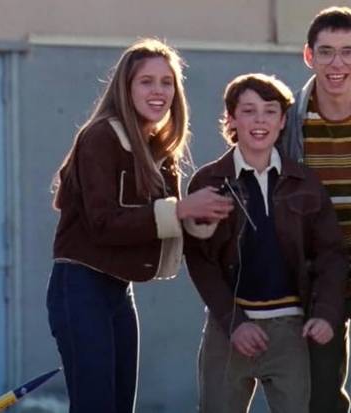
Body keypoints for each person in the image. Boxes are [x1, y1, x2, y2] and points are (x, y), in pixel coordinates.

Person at [47, 38, 233, 413]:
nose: (158, 91)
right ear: (125, 88)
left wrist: (204, 216)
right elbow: (103, 223)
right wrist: (182, 210)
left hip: (120, 289)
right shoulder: (101, 137)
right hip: (81, 286)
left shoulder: (158, 148)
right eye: (146, 81)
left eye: (167, 82)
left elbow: (165, 221)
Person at [183, 73, 348, 413]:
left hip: (291, 330)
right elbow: (201, 262)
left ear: (283, 120)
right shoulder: (209, 181)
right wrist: (234, 322)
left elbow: (331, 254)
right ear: (231, 119)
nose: (260, 120)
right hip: (228, 329)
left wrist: (326, 313)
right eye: (248, 111)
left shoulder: (305, 182)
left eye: (270, 111)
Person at [279, 6, 351, 412]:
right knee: (319, 397)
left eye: (348, 52)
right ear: (308, 55)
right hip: (314, 280)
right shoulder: (287, 119)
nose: (337, 64)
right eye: (326, 51)